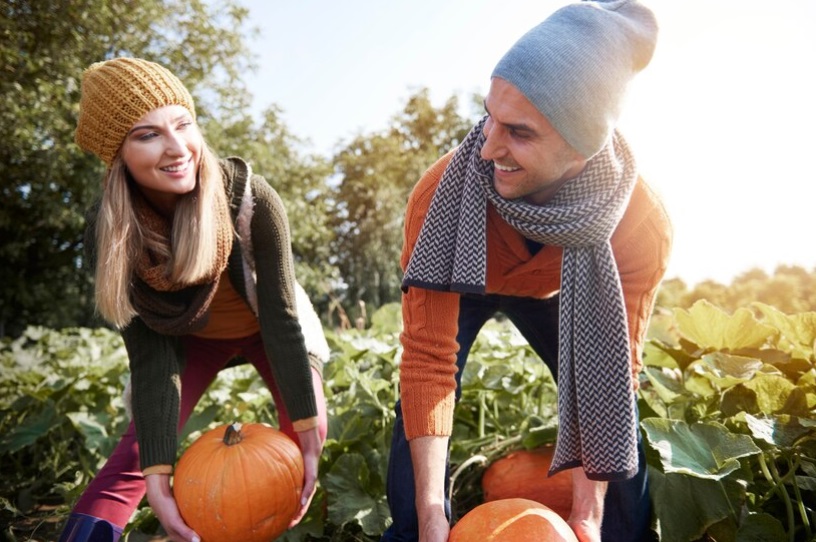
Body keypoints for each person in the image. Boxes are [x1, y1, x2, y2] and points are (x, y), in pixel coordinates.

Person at [383, 1, 671, 541]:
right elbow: (427, 362)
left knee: (614, 411)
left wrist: (586, 513)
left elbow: (611, 374)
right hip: (462, 281)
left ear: (583, 145)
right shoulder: (441, 196)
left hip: (555, 292)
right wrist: (430, 514)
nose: (487, 146)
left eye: (519, 131)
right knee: (416, 406)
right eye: (488, 113)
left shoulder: (639, 225)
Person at [59, 57, 329, 542]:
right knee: (140, 453)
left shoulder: (250, 199)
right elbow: (151, 360)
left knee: (304, 431)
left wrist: (308, 424)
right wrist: (157, 476)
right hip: (190, 343)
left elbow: (284, 318)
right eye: (147, 135)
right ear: (116, 154)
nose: (177, 147)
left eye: (183, 124)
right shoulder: (112, 233)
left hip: (271, 329)